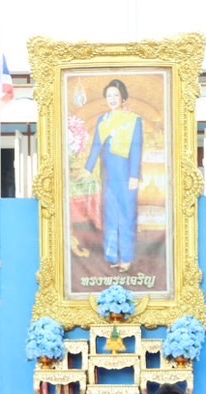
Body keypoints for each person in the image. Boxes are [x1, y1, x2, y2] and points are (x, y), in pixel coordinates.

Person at [83, 78, 144, 272]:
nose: (112, 99)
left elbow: (137, 148)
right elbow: (96, 145)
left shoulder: (134, 120)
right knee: (110, 216)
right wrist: (87, 168)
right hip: (108, 175)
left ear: (122, 97)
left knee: (126, 217)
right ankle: (113, 256)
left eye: (115, 95)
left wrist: (134, 175)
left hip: (127, 176)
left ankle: (126, 258)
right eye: (108, 96)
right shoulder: (103, 120)